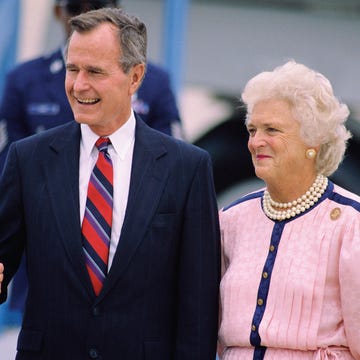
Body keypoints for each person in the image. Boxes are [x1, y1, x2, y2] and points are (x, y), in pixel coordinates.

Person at [0, 8, 220, 359]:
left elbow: (198, 304)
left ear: (135, 77)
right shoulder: (28, 159)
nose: (78, 85)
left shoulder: (186, 168)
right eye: (73, 69)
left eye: (95, 72)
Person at [217, 60, 360, 359]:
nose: (256, 141)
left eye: (272, 129)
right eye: (252, 129)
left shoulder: (350, 225)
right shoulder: (230, 221)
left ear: (313, 141)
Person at [0, 0, 182, 173]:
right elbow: (8, 164)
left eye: (98, 5)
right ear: (57, 11)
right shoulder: (23, 79)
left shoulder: (154, 81)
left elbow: (170, 160)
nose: (87, 14)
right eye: (75, 6)